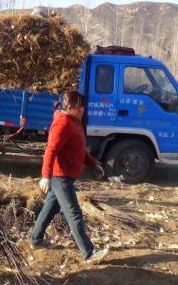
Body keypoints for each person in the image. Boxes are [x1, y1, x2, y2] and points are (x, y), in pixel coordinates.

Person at [30, 91, 109, 264]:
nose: (83, 109)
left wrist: (93, 164)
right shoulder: (63, 123)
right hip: (61, 177)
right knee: (74, 214)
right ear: (71, 107)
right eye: (80, 106)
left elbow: (80, 151)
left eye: (83, 106)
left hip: (66, 176)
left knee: (50, 208)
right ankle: (89, 254)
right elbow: (51, 150)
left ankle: (35, 240)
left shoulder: (74, 122)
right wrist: (45, 176)